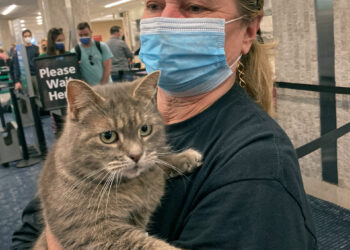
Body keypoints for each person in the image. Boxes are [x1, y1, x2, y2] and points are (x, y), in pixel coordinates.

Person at [12, 0, 318, 249]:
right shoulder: (124, 109)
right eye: (155, 4)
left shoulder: (257, 166)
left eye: (195, 7)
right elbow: (26, 235)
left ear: (249, 31)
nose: (167, 20)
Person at [38, 27, 70, 137]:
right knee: (59, 125)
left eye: (62, 40)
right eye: (59, 40)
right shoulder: (43, 58)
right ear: (52, 42)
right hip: (54, 96)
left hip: (67, 94)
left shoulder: (68, 55)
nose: (61, 43)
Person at [12, 29, 40, 93]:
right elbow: (16, 65)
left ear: (31, 36)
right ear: (23, 37)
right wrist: (17, 80)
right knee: (28, 96)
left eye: (29, 36)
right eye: (25, 36)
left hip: (36, 76)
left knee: (39, 95)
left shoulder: (36, 48)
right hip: (26, 77)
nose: (27, 38)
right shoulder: (20, 50)